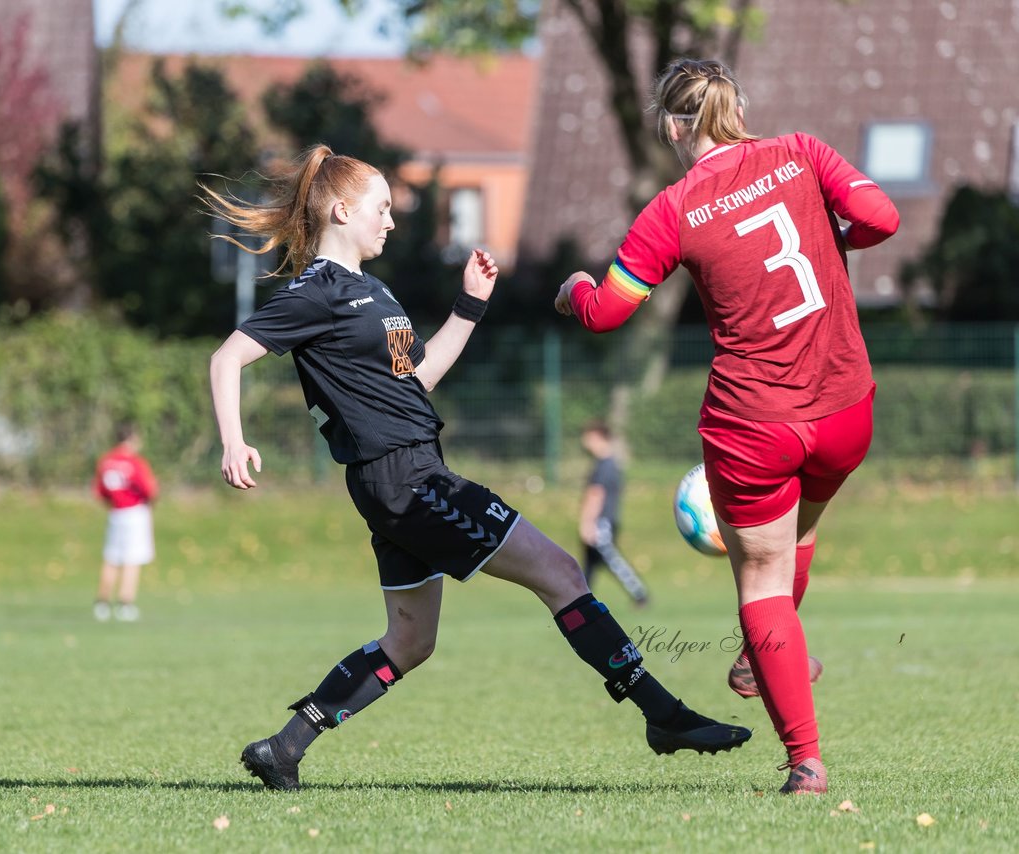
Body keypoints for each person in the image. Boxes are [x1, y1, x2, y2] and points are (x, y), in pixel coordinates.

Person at [204, 143, 751, 792]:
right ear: (343, 211)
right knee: (560, 570)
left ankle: (285, 747)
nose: (391, 222)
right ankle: (664, 714)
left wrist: (469, 307)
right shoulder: (317, 293)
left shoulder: (372, 291)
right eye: (382, 209)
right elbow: (227, 358)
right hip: (408, 481)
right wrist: (233, 442)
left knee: (410, 641)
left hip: (401, 477)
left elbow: (418, 380)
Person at [554, 58, 899, 794]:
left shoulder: (673, 209)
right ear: (734, 109)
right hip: (844, 409)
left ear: (675, 125)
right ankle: (761, 656)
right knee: (799, 539)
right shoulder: (803, 153)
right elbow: (881, 219)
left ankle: (805, 761)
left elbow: (607, 312)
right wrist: (833, 238)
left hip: (754, 426)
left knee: (762, 580)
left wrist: (572, 291)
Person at [577, 419, 649, 606]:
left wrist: (587, 523)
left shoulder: (604, 466)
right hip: (604, 521)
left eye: (588, 438)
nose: (585, 443)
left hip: (601, 523)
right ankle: (580, 599)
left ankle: (640, 594)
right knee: (589, 564)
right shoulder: (611, 464)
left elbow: (596, 495)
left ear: (598, 437)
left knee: (612, 560)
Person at [92, 422, 158, 622]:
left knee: (111, 558)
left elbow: (100, 491)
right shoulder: (134, 462)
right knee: (132, 560)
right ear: (132, 438)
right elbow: (149, 489)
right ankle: (125, 604)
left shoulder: (106, 461)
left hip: (115, 513)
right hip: (134, 513)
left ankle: (102, 604)